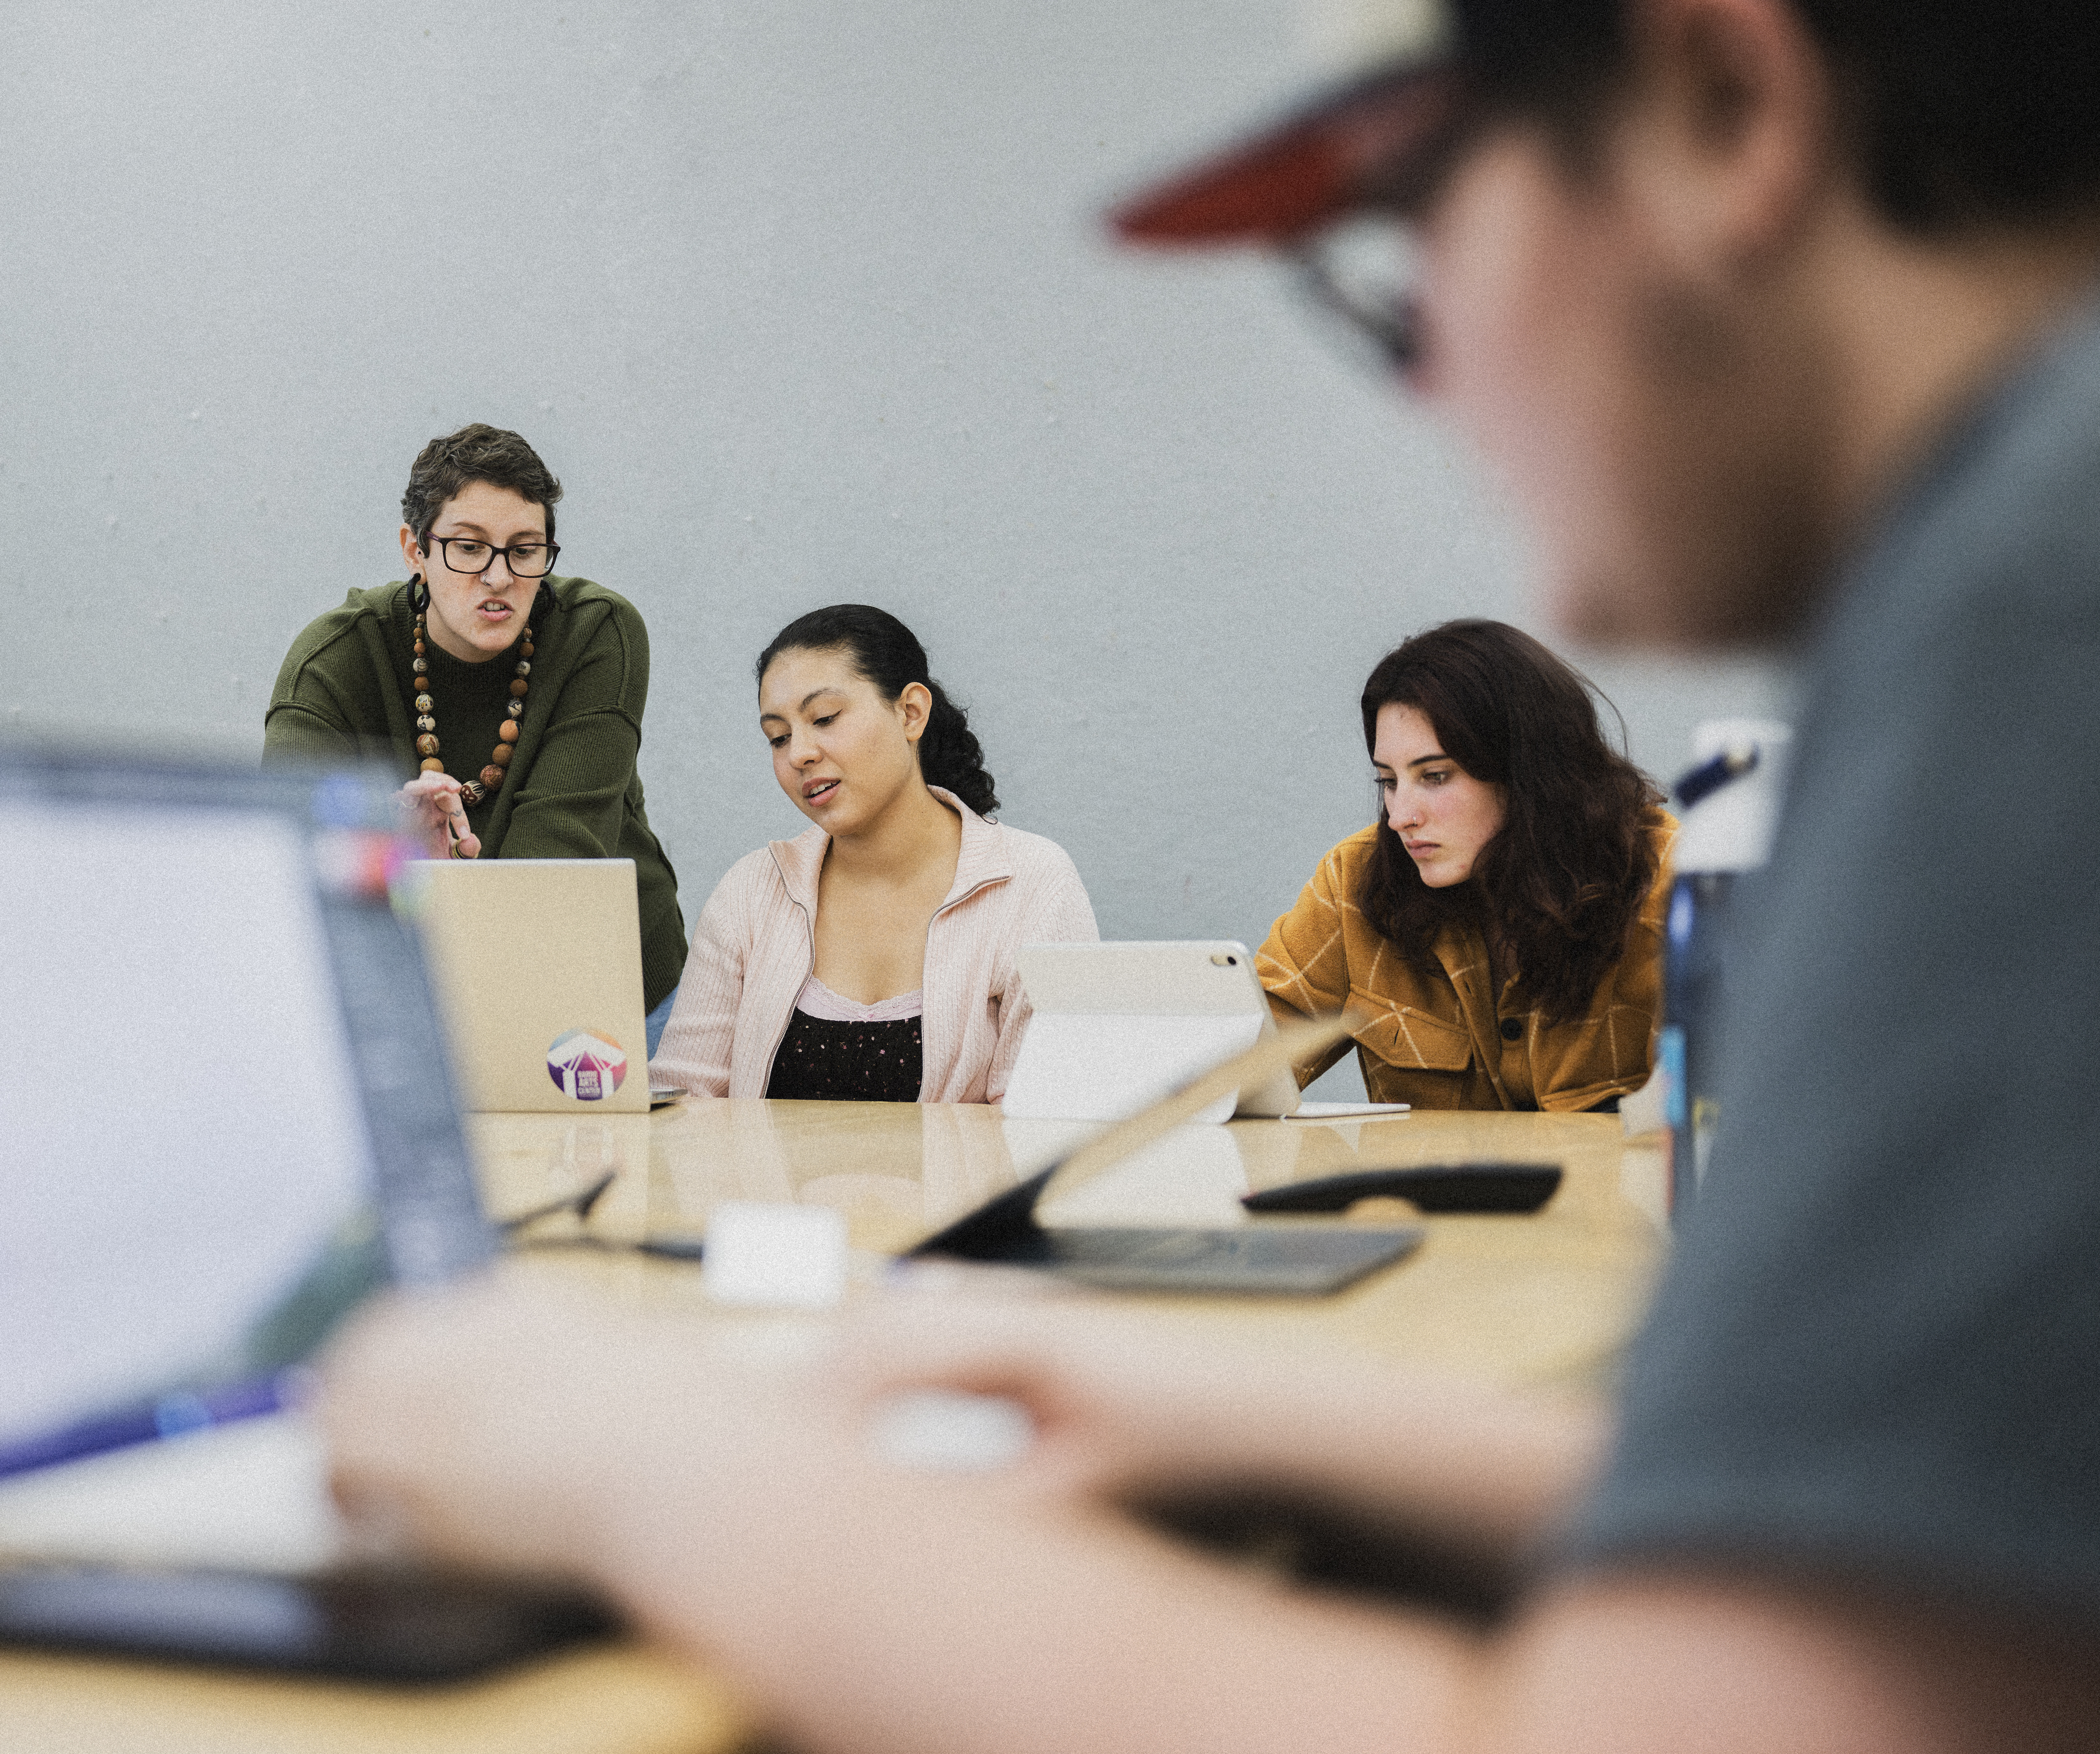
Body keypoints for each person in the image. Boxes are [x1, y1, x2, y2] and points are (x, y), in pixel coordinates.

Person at [322, 2, 2100, 1750]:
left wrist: (650, 1467)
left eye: (1403, 259)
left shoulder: (2027, 621)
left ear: (1724, 103)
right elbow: (1931, 1549)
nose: (1440, 381)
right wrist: (1250, 1414)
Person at [264, 424, 688, 1042]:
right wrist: (395, 857)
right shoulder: (334, 663)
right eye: (468, 547)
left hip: (607, 1003)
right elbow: (299, 881)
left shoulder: (597, 635)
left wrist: (418, 885)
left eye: (525, 549)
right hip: (411, 1004)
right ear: (415, 549)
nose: (498, 578)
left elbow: (550, 878)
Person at [649, 604, 1096, 1102]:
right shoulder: (753, 890)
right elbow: (680, 1103)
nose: (799, 754)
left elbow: (1048, 1121)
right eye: (778, 737)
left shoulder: (1029, 881)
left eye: (824, 718)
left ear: (910, 713)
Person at [1260, 619, 1669, 1111]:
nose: (1399, 817)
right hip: (1427, 1190)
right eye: (1387, 782)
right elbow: (1241, 1063)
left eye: (1434, 777)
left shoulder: (1672, 882)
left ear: (1528, 773)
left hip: (1615, 1191)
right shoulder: (1356, 880)